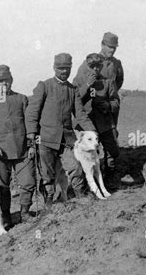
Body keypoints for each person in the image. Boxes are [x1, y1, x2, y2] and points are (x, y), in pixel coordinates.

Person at [25, 53, 95, 210]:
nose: (64, 72)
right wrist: (31, 134)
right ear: (54, 68)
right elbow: (32, 112)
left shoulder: (73, 90)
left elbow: (81, 115)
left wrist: (93, 133)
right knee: (47, 174)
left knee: (76, 167)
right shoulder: (44, 86)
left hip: (67, 139)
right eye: (60, 68)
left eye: (67, 68)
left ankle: (80, 198)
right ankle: (49, 202)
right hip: (45, 139)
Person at [0, 65, 36, 226]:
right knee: (2, 187)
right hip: (0, 154)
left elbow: (30, 124)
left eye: (7, 80)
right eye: (0, 81)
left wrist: (31, 145)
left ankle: (25, 212)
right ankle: (5, 216)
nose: (4, 84)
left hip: (22, 151)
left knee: (28, 182)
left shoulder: (22, 99)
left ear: (11, 80)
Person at [73, 53, 120, 182]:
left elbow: (116, 101)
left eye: (98, 66)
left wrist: (108, 105)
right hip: (85, 125)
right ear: (87, 66)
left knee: (111, 153)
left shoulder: (108, 82)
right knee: (82, 155)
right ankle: (84, 185)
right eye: (92, 66)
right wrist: (87, 85)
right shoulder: (78, 81)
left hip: (104, 123)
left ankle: (109, 180)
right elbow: (73, 101)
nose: (95, 69)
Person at [75, 32, 124, 131]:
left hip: (107, 109)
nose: (112, 50)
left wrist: (108, 95)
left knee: (110, 139)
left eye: (114, 47)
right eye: (109, 47)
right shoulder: (90, 62)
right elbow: (78, 85)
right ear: (102, 44)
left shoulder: (116, 64)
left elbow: (119, 81)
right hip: (89, 107)